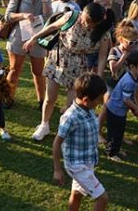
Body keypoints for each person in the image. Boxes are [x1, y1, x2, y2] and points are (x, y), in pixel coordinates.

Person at [25, 3, 110, 141]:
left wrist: (98, 78)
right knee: (50, 98)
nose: (86, 24)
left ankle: (63, 132)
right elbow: (52, 27)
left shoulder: (103, 33)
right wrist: (34, 38)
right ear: (83, 13)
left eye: (91, 23)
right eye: (85, 20)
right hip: (57, 61)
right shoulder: (72, 16)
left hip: (78, 68)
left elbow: (101, 57)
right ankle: (44, 125)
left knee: (71, 106)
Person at [52, 72, 108, 211]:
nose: (100, 103)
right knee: (102, 198)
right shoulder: (70, 117)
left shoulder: (88, 109)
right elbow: (57, 142)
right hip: (77, 166)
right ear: (86, 100)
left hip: (87, 162)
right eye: (99, 100)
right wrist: (57, 169)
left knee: (77, 194)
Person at [4, 0, 52, 109]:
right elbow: (8, 15)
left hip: (38, 37)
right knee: (14, 70)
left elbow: (48, 16)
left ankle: (41, 101)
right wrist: (23, 15)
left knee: (38, 72)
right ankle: (7, 98)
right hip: (19, 36)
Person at [105, 51, 138, 162]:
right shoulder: (129, 81)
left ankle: (116, 149)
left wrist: (137, 105)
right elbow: (126, 100)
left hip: (119, 111)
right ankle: (111, 153)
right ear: (132, 67)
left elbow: (131, 96)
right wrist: (136, 108)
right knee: (114, 133)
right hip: (115, 111)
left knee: (119, 131)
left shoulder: (134, 77)